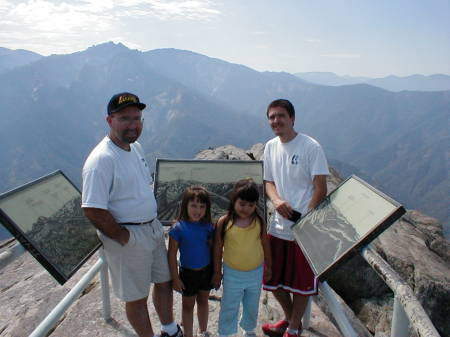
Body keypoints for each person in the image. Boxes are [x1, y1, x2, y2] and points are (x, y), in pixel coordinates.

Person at [81, 92, 183, 337]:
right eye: (124, 118)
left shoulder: (134, 147)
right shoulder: (101, 160)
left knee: (164, 281)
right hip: (129, 237)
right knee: (137, 297)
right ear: (109, 121)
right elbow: (92, 207)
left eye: (137, 118)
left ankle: (169, 330)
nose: (133, 124)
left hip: (151, 228)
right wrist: (123, 236)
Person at [261, 99, 329, 337]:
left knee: (301, 282)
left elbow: (321, 187)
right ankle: (292, 321)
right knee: (271, 278)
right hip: (278, 225)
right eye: (271, 117)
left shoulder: (310, 146)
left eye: (280, 116)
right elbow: (268, 182)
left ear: (292, 118)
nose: (276, 121)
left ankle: (292, 328)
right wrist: (276, 201)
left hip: (303, 228)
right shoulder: (270, 147)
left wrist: (307, 218)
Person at [213, 178, 272, 337]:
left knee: (252, 305)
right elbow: (218, 248)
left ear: (255, 205)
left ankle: (248, 329)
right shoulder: (225, 222)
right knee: (229, 305)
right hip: (232, 273)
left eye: (251, 205)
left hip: (255, 272)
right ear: (234, 201)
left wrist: (269, 266)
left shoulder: (259, 221)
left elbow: (265, 243)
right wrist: (217, 272)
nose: (246, 209)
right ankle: (225, 332)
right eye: (242, 204)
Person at [168, 186, 214, 337]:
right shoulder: (178, 228)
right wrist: (175, 278)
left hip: (206, 272)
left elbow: (214, 250)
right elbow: (172, 254)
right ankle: (188, 334)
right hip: (187, 274)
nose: (197, 210)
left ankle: (203, 330)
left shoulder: (208, 227)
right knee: (187, 306)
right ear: (185, 206)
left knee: (203, 301)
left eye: (202, 206)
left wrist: (216, 272)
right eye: (193, 205)